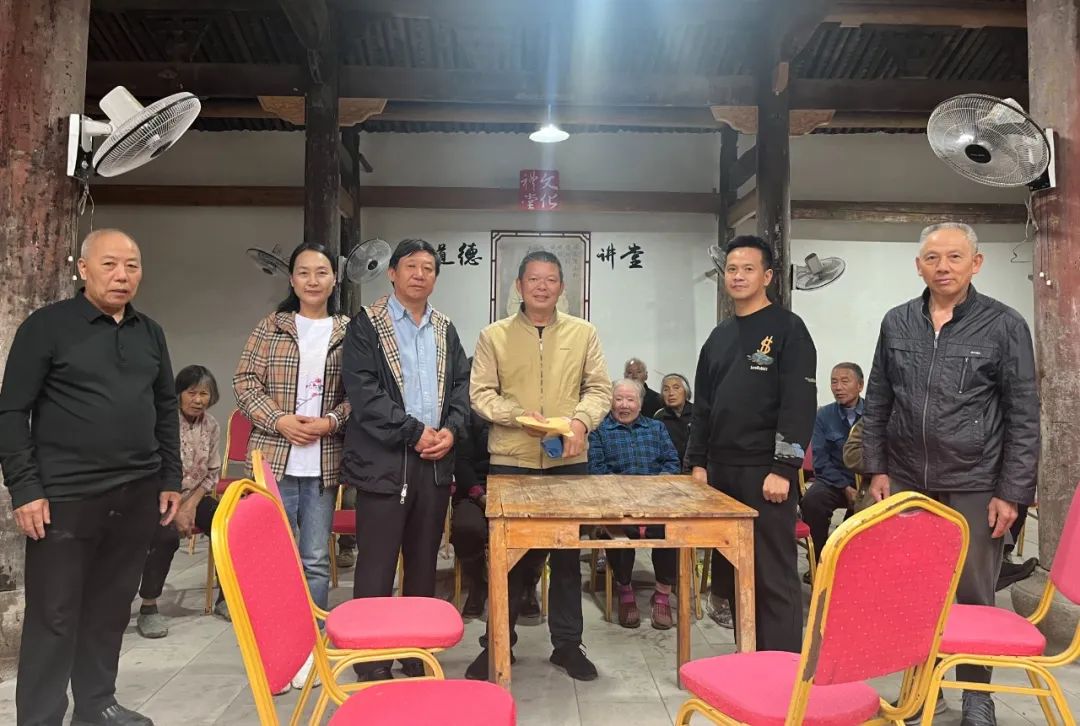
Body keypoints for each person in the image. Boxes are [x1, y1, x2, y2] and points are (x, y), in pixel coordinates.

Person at [0, 229, 181, 726]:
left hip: (137, 492)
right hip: (64, 497)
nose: (122, 275)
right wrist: (25, 488)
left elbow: (165, 407)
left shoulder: (150, 333)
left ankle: (97, 703)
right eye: (109, 264)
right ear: (83, 269)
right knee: (54, 615)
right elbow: (12, 411)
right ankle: (40, 717)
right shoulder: (47, 327)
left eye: (132, 265)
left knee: (110, 609)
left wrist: (170, 476)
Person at [862, 222, 1039, 726]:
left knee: (973, 593)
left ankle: (977, 695)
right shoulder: (897, 322)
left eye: (955, 257)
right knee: (913, 591)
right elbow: (878, 400)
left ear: (975, 264)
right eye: (933, 258)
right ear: (918, 266)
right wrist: (876, 467)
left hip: (976, 481)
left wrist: (1012, 491)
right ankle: (922, 691)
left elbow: (1024, 414)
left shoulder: (1004, 325)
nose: (943, 267)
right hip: (906, 480)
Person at [466, 250, 612, 682]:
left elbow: (599, 389)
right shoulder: (493, 336)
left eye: (550, 279)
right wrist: (518, 417)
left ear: (561, 287)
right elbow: (480, 393)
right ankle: (497, 644)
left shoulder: (584, 333)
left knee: (567, 558)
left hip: (568, 459)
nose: (542, 287)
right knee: (507, 559)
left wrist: (580, 422)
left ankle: (567, 646)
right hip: (512, 460)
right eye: (533, 279)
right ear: (519, 285)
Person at [341, 238, 470, 682]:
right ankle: (371, 660)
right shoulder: (367, 325)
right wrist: (414, 432)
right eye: (411, 266)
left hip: (434, 464)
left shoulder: (445, 328)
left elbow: (461, 388)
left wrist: (451, 431)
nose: (420, 274)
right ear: (392, 273)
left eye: (428, 268)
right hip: (384, 464)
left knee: (423, 564)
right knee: (376, 566)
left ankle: (417, 654)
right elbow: (364, 393)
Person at [686, 235, 817, 650]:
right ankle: (749, 660)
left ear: (768, 276)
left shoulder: (788, 329)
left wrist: (784, 468)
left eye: (748, 269)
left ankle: (781, 665)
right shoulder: (719, 336)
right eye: (732, 269)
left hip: (765, 473)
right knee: (734, 573)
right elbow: (703, 406)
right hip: (721, 471)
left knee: (771, 572)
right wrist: (697, 463)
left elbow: (799, 404)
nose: (738, 276)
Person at [234, 242, 350, 691]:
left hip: (323, 462)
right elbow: (245, 381)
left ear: (334, 279)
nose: (313, 280)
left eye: (321, 272)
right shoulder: (271, 326)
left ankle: (308, 651)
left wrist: (330, 421)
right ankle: (274, 652)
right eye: (304, 272)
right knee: (272, 562)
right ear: (292, 279)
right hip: (274, 458)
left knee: (315, 560)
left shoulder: (348, 331)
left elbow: (359, 393)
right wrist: (279, 419)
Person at [137, 365, 229, 639]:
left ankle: (226, 598)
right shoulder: (162, 422)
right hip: (162, 496)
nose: (198, 400)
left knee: (228, 525)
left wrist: (190, 505)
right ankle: (149, 608)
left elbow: (212, 472)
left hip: (194, 496)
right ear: (178, 394)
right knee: (165, 538)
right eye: (192, 393)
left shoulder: (212, 425)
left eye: (204, 394)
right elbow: (153, 468)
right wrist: (176, 506)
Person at [588, 378, 681, 629]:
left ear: (640, 403)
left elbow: (672, 463)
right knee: (617, 531)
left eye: (630, 399)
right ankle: (625, 590)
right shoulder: (599, 431)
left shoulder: (657, 428)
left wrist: (655, 489)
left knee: (672, 530)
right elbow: (596, 470)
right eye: (619, 399)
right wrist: (624, 494)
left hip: (656, 502)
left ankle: (662, 593)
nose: (624, 405)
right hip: (617, 504)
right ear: (611, 402)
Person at [799, 362, 865, 562]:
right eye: (834, 382)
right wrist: (845, 488)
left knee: (873, 507)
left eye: (845, 381)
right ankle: (819, 563)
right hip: (833, 481)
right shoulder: (823, 415)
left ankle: (850, 560)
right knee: (812, 501)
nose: (838, 387)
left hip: (866, 482)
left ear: (860, 385)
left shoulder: (876, 414)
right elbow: (820, 460)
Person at [653, 373, 693, 469]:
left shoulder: (698, 413)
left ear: (686, 392)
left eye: (676, 388)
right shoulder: (659, 416)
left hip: (695, 469)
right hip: (668, 470)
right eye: (666, 389)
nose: (671, 393)